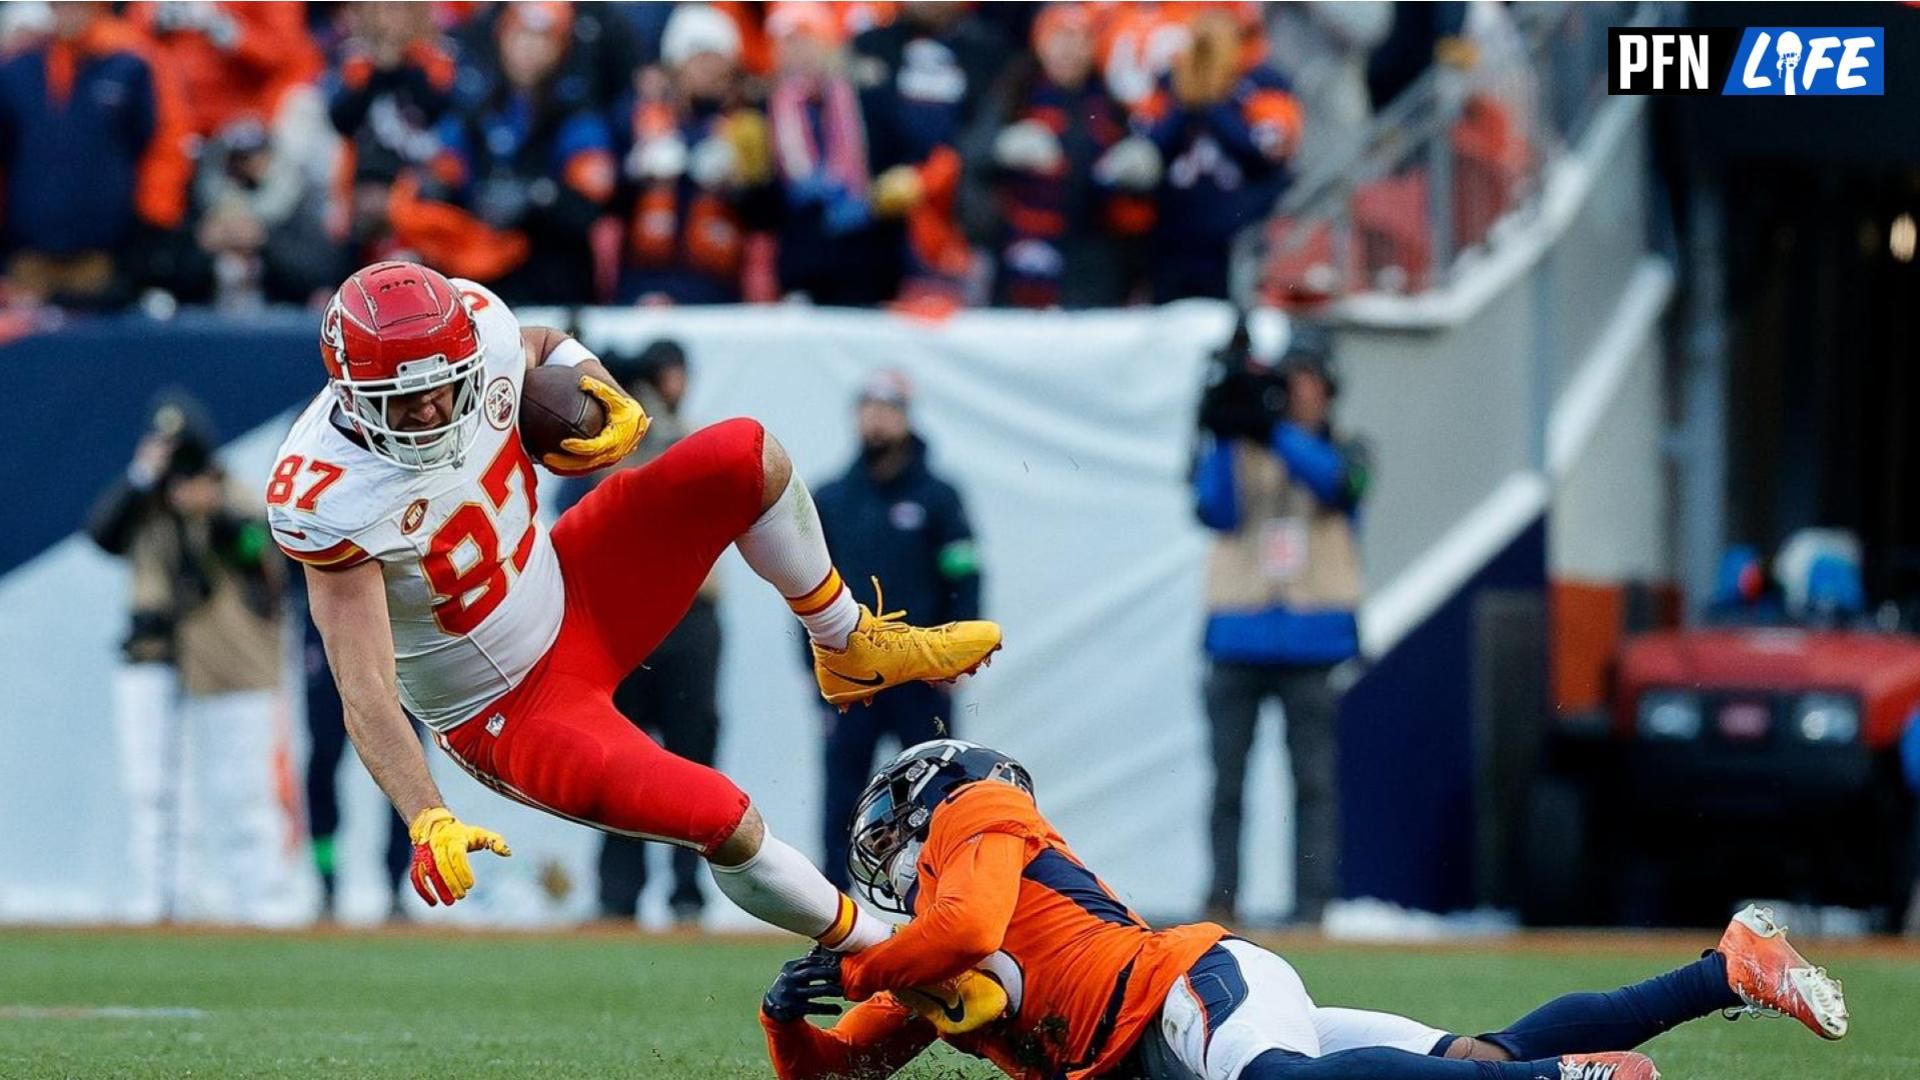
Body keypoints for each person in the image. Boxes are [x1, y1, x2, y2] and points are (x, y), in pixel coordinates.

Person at [269, 261, 1002, 999]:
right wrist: (426, 815)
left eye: (441, 387)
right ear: (353, 398)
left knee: (745, 455)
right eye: (404, 401)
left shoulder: (481, 329)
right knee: (725, 816)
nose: (431, 411)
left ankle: (847, 642)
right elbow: (362, 686)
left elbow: (542, 342)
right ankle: (897, 963)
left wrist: (599, 385)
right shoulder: (327, 494)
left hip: (569, 583)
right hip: (507, 709)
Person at [759, 739, 1851, 1080]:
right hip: (1195, 1025)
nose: (893, 859)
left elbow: (969, 932)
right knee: (1474, 1057)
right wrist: (788, 1019)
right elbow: (843, 1073)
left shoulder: (978, 819)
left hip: (1186, 988)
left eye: (894, 834)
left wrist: (860, 962)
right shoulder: (926, 966)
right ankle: (1727, 970)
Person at [88, 401, 291, 925]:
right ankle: (164, 903)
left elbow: (259, 550)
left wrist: (213, 510)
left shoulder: (232, 494)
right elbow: (101, 534)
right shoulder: (145, 503)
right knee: (155, 792)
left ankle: (261, 907)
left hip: (230, 661)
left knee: (243, 790)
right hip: (156, 655)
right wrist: (141, 478)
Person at [1192, 320, 1367, 927]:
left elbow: (1340, 485)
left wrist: (1272, 432)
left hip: (1313, 637)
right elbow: (1215, 510)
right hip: (1239, 632)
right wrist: (1220, 429)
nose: (1295, 392)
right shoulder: (1239, 450)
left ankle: (1311, 905)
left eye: (1306, 380)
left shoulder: (1349, 449)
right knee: (1226, 785)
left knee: (1313, 782)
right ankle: (1222, 900)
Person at [811, 370, 983, 890]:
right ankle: (829, 905)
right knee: (843, 792)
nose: (877, 418)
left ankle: (943, 897)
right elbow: (804, 587)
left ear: (907, 417)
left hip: (920, 675)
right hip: (853, 676)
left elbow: (964, 576)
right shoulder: (833, 499)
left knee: (936, 791)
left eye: (888, 408)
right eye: (868, 406)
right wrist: (814, 670)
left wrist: (958, 657)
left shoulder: (938, 498)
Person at [581, 340, 727, 926]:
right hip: (632, 620)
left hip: (689, 616)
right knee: (617, 761)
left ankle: (689, 891)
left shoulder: (690, 440)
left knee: (694, 758)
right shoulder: (617, 441)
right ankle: (619, 894)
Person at [962, 2, 1154, 309]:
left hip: (1090, 256)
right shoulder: (1015, 91)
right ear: (1041, 43)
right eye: (1061, 38)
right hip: (1020, 249)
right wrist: (1001, 147)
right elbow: (971, 154)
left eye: (1081, 39)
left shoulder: (1109, 103)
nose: (1071, 50)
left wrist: (1137, 167)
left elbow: (1133, 180)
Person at [0, 1, 191, 308]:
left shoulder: (132, 65)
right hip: (28, 256)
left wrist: (151, 228)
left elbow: (161, 148)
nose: (69, 11)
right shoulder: (18, 71)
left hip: (101, 256)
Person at [1138, 8, 1302, 302]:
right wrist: (1185, 104)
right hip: (1174, 236)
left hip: (1235, 236)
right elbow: (1148, 152)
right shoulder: (1169, 82)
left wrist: (1213, 105)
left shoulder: (1264, 82)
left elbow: (1265, 155)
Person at [615, 3, 773, 305]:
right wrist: (637, 171)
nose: (708, 70)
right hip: (643, 280)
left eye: (716, 60)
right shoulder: (638, 118)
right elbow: (611, 208)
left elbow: (766, 216)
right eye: (698, 59)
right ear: (677, 64)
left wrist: (739, 184)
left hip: (716, 284)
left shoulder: (747, 126)